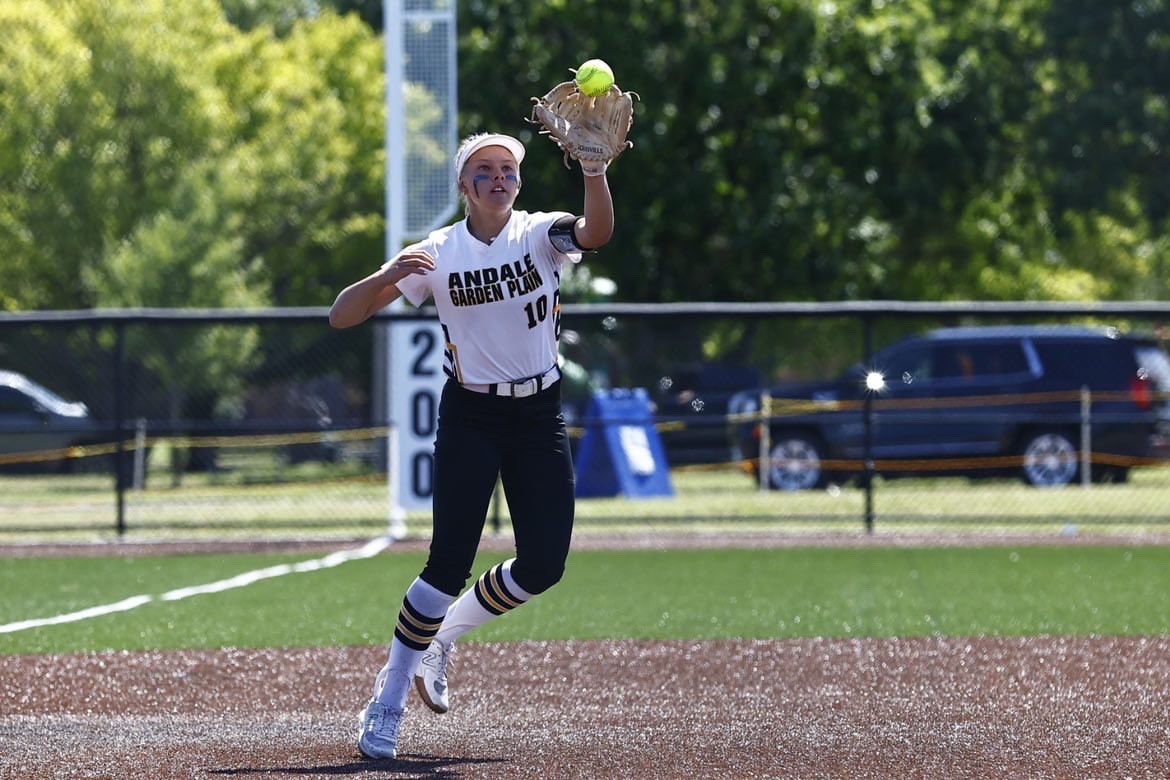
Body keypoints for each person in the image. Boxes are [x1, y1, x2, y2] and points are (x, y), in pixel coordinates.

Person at [329, 131, 615, 760]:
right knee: (447, 563)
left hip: (539, 413)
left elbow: (595, 233)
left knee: (544, 565)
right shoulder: (437, 252)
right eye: (484, 169)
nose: (498, 177)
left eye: (508, 168)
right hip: (472, 415)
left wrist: (594, 172)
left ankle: (441, 639)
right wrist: (386, 275)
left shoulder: (540, 234)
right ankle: (389, 696)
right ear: (463, 186)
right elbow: (342, 316)